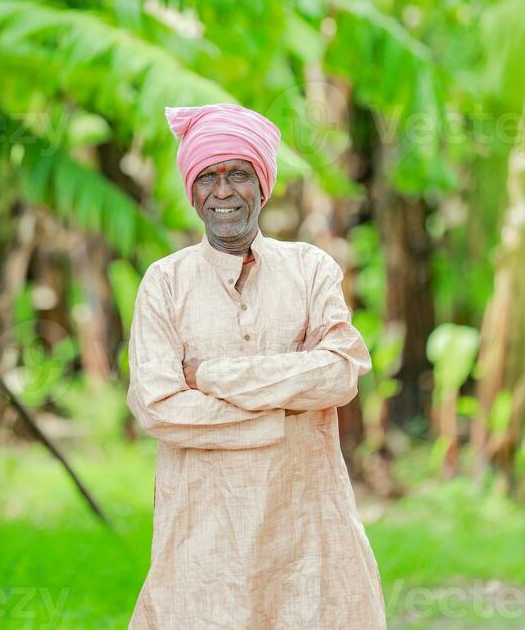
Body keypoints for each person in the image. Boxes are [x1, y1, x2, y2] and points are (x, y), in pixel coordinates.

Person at [127, 102, 387, 629]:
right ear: (192, 191)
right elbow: (157, 408)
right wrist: (275, 419)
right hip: (201, 535)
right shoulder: (165, 282)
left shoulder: (311, 269)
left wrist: (211, 376)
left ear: (263, 186)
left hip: (306, 529)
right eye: (207, 177)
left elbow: (339, 373)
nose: (222, 192)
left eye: (238, 175)